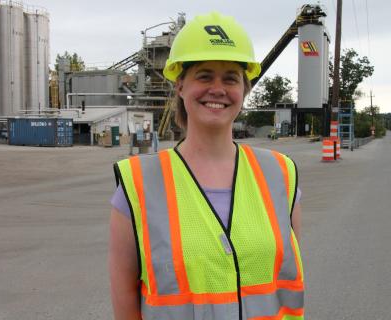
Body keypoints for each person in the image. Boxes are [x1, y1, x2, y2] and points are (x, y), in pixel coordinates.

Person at [109, 12, 304, 320]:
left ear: (244, 91)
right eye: (204, 75)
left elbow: (285, 277)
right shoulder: (137, 185)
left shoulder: (281, 175)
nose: (218, 88)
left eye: (230, 78)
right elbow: (124, 300)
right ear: (180, 87)